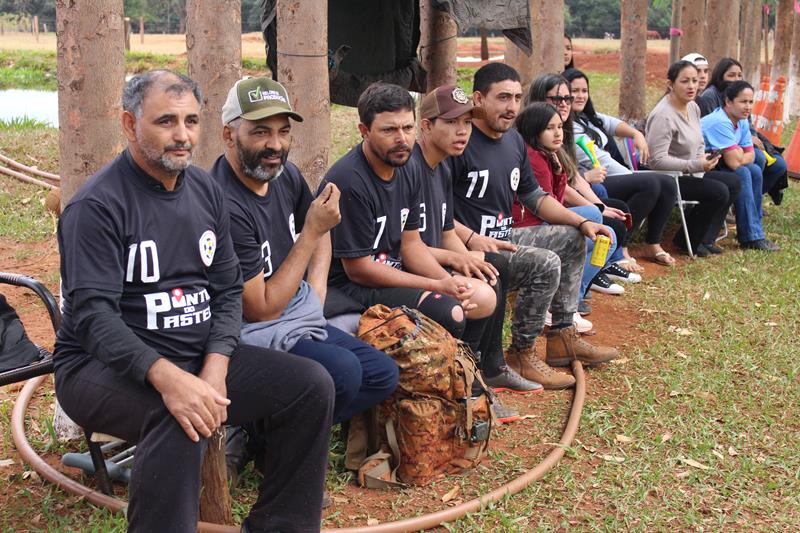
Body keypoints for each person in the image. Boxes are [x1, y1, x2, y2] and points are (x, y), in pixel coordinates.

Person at [53, 70, 334, 533]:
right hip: (101, 367)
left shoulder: (205, 191)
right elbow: (92, 320)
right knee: (176, 412)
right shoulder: (97, 207)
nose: (182, 135)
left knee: (310, 386)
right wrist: (169, 379)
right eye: (166, 121)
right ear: (129, 124)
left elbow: (227, 291)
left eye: (191, 121)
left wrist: (216, 365)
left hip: (195, 354)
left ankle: (282, 525)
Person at [211, 77, 399, 481]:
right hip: (248, 334)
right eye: (259, 131)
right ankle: (280, 456)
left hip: (294, 312)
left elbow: (323, 223)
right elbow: (259, 309)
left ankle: (261, 435)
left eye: (282, 131)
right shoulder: (221, 201)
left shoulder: (284, 176)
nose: (275, 144)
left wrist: (316, 288)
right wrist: (310, 233)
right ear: (229, 134)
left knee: (382, 374)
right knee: (343, 373)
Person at [449, 63, 619, 390]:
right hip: (467, 247)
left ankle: (562, 337)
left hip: (506, 238)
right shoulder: (460, 141)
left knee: (571, 238)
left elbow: (536, 197)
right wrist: (471, 240)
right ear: (479, 98)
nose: (512, 106)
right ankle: (522, 352)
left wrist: (583, 220)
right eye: (502, 98)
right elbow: (437, 212)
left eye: (516, 97)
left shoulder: (513, 141)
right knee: (544, 262)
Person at [320, 82, 497, 361]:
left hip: (393, 268)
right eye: (389, 130)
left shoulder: (408, 166)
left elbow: (411, 245)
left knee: (481, 296)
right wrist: (438, 287)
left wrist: (448, 283)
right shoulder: (350, 181)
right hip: (350, 286)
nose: (402, 139)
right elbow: (359, 270)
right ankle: (438, 385)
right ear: (364, 131)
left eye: (407, 128)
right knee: (450, 309)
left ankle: (468, 373)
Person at [412, 83, 542, 396]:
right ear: (426, 126)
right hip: (412, 266)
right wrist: (451, 276)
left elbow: (445, 232)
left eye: (468, 123)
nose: (463, 131)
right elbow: (407, 246)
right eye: (453, 122)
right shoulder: (410, 168)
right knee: (478, 284)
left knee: (491, 266)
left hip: (434, 257)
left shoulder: (441, 166)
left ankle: (484, 369)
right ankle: (467, 380)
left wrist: (471, 261)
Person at [561, 68, 680, 267]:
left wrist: (637, 135)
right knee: (649, 183)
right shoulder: (567, 126)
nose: (580, 96)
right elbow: (603, 161)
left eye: (584, 90)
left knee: (667, 183)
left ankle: (653, 243)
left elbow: (615, 124)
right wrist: (631, 176)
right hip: (597, 178)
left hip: (608, 175)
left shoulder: (589, 117)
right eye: (574, 91)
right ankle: (620, 247)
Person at [512, 102, 621, 314]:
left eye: (560, 127)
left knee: (603, 227)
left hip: (539, 222)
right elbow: (545, 204)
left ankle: (571, 296)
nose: (557, 133)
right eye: (549, 128)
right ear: (534, 130)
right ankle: (569, 299)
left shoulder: (549, 154)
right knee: (605, 234)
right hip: (529, 227)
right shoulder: (534, 159)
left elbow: (562, 193)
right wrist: (588, 216)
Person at [645, 60, 741, 257]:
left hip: (694, 171)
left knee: (734, 182)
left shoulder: (693, 107)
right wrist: (695, 164)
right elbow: (656, 161)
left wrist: (703, 158)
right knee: (718, 191)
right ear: (670, 84)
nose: (691, 86)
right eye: (684, 81)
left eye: (695, 81)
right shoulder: (663, 116)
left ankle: (705, 238)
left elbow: (698, 143)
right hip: (669, 178)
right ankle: (687, 241)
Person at [697, 57, 789, 204]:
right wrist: (741, 148)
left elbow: (748, 124)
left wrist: (751, 137)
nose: (736, 79)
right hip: (721, 149)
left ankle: (752, 201)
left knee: (779, 165)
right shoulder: (711, 96)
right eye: (731, 75)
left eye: (739, 75)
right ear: (720, 77)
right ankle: (743, 203)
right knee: (755, 162)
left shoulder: (743, 94)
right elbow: (714, 129)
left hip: (739, 144)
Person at [700, 80, 779, 251]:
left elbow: (750, 156)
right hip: (699, 166)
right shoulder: (719, 122)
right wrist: (741, 155)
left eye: (751, 102)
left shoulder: (741, 120)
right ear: (728, 102)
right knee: (743, 172)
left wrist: (740, 155)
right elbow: (735, 163)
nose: (748, 107)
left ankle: (754, 231)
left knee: (755, 170)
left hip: (719, 163)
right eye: (743, 102)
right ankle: (750, 236)